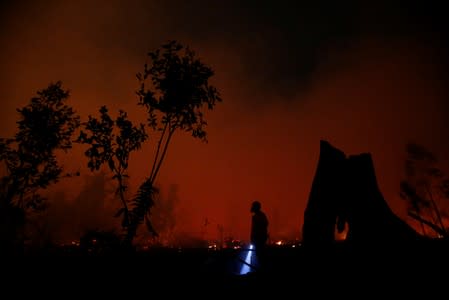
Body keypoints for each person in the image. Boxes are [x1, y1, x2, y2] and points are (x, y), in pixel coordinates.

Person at [250, 200, 269, 271]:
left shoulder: (258, 216)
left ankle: (262, 269)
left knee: (260, 255)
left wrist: (253, 238)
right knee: (259, 255)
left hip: (259, 239)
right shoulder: (261, 215)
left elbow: (254, 229)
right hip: (260, 238)